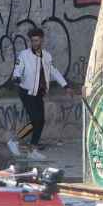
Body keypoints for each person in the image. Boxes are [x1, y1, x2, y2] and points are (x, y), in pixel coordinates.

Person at [10, 28, 71, 159]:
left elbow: (53, 71)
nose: (34, 43)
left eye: (37, 40)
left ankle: (31, 149)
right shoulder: (24, 55)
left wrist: (65, 85)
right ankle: (16, 142)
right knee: (36, 120)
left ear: (42, 40)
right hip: (26, 92)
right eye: (32, 41)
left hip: (39, 93)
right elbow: (18, 69)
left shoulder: (47, 56)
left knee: (40, 121)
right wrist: (16, 77)